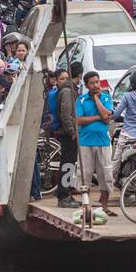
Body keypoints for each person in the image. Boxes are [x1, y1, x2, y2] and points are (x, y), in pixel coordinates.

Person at [75, 71, 115, 216]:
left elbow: (106, 115)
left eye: (97, 82)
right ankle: (86, 207)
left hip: (103, 142)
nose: (95, 85)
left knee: (105, 174)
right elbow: (79, 120)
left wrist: (97, 99)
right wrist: (99, 117)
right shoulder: (81, 100)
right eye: (92, 83)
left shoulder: (106, 98)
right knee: (84, 175)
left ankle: (104, 207)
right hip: (85, 142)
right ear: (86, 85)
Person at [55, 66, 80, 207]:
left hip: (68, 133)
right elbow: (66, 114)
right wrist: (72, 132)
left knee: (69, 164)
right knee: (67, 164)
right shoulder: (67, 91)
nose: (64, 80)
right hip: (67, 134)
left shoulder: (67, 90)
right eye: (61, 78)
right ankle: (63, 195)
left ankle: (67, 192)